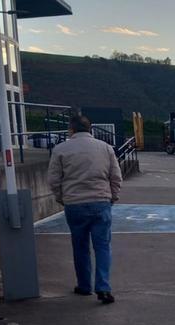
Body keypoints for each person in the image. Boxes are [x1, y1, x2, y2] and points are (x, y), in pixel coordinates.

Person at [47, 115, 122, 304]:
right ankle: (103, 287)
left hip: (75, 204)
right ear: (90, 129)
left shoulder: (60, 150)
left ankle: (84, 285)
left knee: (80, 246)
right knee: (103, 246)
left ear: (71, 129)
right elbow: (116, 176)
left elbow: (54, 180)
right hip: (101, 202)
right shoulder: (105, 148)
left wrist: (62, 198)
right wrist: (112, 197)